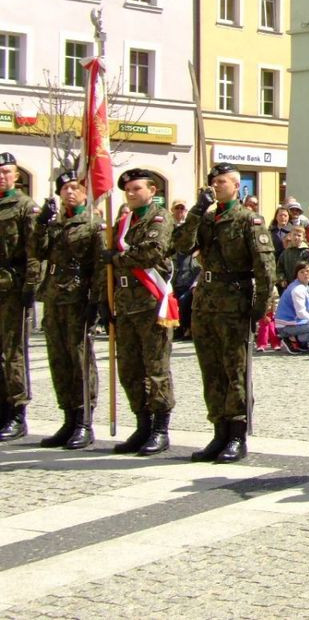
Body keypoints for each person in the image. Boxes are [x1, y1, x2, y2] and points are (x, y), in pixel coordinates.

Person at [172, 163, 275, 464]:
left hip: (234, 302)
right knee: (211, 369)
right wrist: (195, 211)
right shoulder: (205, 219)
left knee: (235, 370)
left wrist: (258, 308)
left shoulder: (248, 220)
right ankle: (218, 431)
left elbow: (265, 269)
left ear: (236, 185)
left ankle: (236, 434)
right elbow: (181, 245)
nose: (215, 187)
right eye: (212, 182)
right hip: (205, 302)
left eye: (221, 182)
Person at [103, 169, 177, 456]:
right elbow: (108, 268)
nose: (131, 193)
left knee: (156, 367)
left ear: (152, 190)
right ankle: (142, 424)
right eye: (128, 190)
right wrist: (104, 302)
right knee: (130, 370)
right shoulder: (123, 222)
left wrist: (119, 257)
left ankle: (160, 428)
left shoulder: (159, 218)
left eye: (136, 188)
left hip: (150, 303)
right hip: (125, 304)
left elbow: (152, 251)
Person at [31, 170, 103, 450]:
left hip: (78, 298)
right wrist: (41, 223)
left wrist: (96, 302)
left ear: (85, 193)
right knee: (58, 360)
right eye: (65, 189)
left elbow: (99, 267)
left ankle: (84, 420)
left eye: (75, 188)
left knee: (80, 359)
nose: (70, 192)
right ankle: (68, 417)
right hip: (54, 296)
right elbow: (37, 250)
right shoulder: (56, 223)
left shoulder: (93, 224)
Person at [0, 153, 38, 442]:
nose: (2, 176)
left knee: (12, 352)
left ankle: (16, 412)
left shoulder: (25, 207)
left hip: (12, 288)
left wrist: (30, 286)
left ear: (16, 176)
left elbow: (34, 250)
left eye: (7, 172)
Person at [275, 262, 309, 353]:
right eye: (302, 272)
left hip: (294, 322)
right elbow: (301, 313)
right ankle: (291, 340)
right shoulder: (298, 289)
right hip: (286, 325)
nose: (305, 273)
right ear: (296, 275)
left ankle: (299, 342)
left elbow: (307, 310)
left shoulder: (305, 287)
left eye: (308, 271)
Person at [275, 225, 309, 292]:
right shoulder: (285, 253)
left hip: (302, 285)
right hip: (288, 286)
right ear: (290, 236)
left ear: (303, 237)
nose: (296, 237)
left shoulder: (306, 253)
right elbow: (279, 268)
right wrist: (282, 279)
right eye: (294, 235)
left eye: (299, 235)